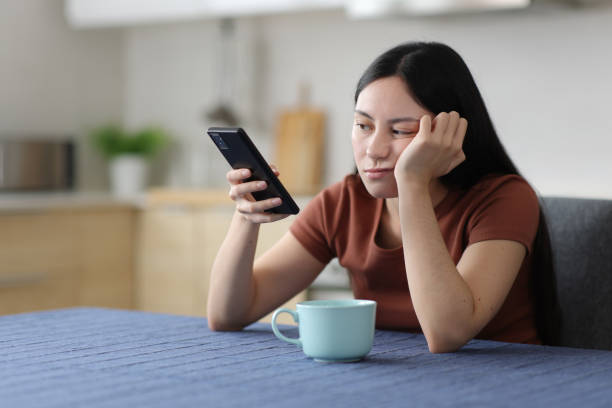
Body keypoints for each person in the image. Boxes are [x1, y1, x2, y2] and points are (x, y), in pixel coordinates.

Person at [206, 41, 556, 353]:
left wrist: (413, 185)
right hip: (397, 381)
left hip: (508, 382)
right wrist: (246, 216)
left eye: (400, 130)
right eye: (363, 125)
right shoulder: (343, 203)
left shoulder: (505, 198)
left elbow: (448, 333)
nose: (373, 150)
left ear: (452, 134)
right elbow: (228, 314)